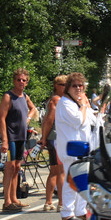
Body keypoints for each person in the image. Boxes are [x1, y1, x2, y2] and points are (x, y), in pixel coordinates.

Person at [55, 73, 96, 220]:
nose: (78, 88)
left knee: (82, 180)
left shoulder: (76, 102)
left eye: (81, 85)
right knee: (71, 181)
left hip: (81, 149)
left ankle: (80, 211)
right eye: (74, 85)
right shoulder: (65, 103)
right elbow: (78, 120)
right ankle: (67, 212)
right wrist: (84, 105)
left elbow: (92, 119)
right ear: (68, 87)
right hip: (71, 149)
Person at [0, 69, 36, 213]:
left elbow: (33, 108)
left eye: (24, 80)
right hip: (10, 137)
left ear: (27, 82)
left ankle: (14, 198)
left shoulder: (25, 96)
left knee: (17, 167)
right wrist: (4, 140)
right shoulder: (8, 96)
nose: (21, 82)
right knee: (9, 167)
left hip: (21, 137)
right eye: (19, 79)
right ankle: (7, 201)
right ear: (14, 81)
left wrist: (28, 118)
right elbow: (2, 119)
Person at [39, 75, 66, 212]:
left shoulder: (54, 99)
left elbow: (45, 120)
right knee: (60, 171)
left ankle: (48, 202)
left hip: (53, 137)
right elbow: (49, 120)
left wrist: (44, 137)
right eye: (63, 84)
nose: (65, 87)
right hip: (56, 138)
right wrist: (44, 138)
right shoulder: (57, 100)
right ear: (56, 86)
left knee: (54, 171)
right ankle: (61, 203)